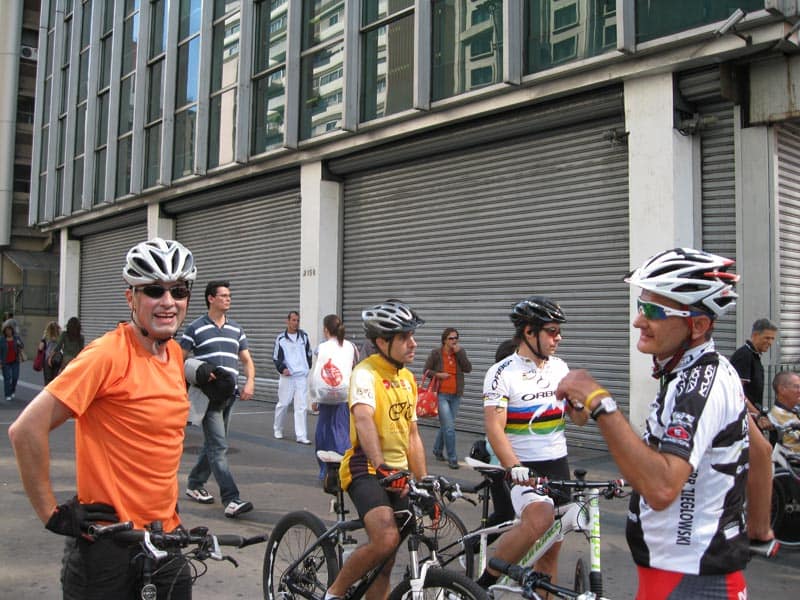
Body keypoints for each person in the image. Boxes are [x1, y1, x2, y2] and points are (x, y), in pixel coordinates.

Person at [555, 248, 761, 598]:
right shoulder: (701, 372)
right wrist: (757, 533)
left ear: (697, 325)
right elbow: (761, 452)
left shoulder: (699, 386)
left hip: (692, 581)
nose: (638, 321)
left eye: (653, 311)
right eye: (641, 306)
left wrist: (601, 403)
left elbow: (662, 487)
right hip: (680, 573)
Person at [8, 237, 197, 598]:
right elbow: (26, 429)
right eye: (154, 290)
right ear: (131, 298)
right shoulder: (106, 355)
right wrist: (51, 513)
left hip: (164, 537)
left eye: (178, 291)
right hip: (107, 546)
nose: (168, 301)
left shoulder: (173, 353)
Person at [476, 296, 588, 590]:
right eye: (552, 331)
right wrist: (514, 466)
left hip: (558, 465)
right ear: (529, 332)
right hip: (524, 467)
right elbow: (494, 428)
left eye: (559, 331)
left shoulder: (559, 367)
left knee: (549, 555)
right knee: (539, 520)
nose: (558, 338)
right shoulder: (502, 372)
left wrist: (582, 402)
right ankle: (483, 585)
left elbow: (579, 419)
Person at [325, 300, 428, 600]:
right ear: (383, 342)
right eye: (404, 337)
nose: (413, 343)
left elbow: (413, 436)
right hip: (366, 467)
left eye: (412, 336)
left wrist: (424, 482)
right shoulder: (365, 373)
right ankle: (334, 593)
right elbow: (363, 419)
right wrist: (381, 466)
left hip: (398, 473)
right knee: (385, 539)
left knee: (387, 561)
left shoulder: (407, 378)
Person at [180, 280, 255, 518]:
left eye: (229, 295)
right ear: (210, 298)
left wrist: (250, 381)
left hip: (229, 396)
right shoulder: (195, 328)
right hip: (207, 397)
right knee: (219, 446)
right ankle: (231, 499)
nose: (228, 299)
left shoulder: (236, 329)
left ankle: (194, 483)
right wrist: (198, 373)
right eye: (223, 295)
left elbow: (246, 360)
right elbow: (179, 360)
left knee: (213, 444)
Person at [308, 314, 358, 480]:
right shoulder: (351, 347)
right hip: (344, 395)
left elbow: (316, 373)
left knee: (323, 433)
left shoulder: (321, 347)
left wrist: (314, 397)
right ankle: (344, 470)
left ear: (326, 330)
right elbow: (355, 367)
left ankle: (325, 470)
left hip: (325, 395)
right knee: (342, 432)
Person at [424, 327, 472, 469]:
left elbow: (468, 368)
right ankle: (452, 458)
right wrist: (438, 375)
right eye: (451, 338)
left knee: (446, 425)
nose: (454, 341)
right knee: (449, 427)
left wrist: (460, 353)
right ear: (444, 340)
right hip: (441, 394)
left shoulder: (460, 352)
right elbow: (426, 371)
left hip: (456, 395)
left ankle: (437, 450)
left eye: (456, 338)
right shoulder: (436, 353)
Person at [273, 311, 313, 444]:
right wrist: (282, 368)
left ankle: (301, 435)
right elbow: (276, 358)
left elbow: (308, 353)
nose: (296, 323)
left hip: (301, 376)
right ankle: (278, 428)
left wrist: (307, 367)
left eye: (297, 320)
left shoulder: (304, 337)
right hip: (287, 377)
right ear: (288, 321)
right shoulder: (281, 339)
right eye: (293, 320)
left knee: (301, 406)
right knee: (283, 404)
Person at [730, 318, 778, 415]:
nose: (770, 342)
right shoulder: (744, 355)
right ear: (755, 335)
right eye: (767, 338)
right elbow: (736, 392)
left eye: (772, 339)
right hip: (743, 417)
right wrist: (756, 414)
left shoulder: (754, 355)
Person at [768, 371, 800, 454]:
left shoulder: (793, 409)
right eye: (796, 387)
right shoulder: (777, 415)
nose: (799, 391)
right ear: (782, 389)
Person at [1, 322, 24, 401]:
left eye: (10, 330)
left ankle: (12, 390)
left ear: (12, 330)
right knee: (7, 378)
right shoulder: (1, 339)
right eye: (7, 330)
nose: (8, 332)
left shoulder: (16, 338)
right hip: (5, 362)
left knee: (15, 377)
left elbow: (22, 346)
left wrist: (19, 343)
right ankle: (7, 394)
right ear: (4, 331)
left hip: (15, 361)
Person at [39, 321, 61, 385]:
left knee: (48, 380)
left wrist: (43, 338)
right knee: (56, 380)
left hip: (47, 359)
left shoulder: (46, 337)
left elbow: (40, 348)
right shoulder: (60, 337)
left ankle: (48, 390)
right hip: (57, 359)